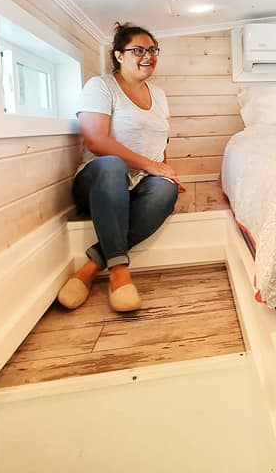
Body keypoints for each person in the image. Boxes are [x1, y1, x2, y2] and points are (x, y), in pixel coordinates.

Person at [56, 22, 184, 312]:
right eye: (138, 50)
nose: (148, 55)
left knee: (166, 190)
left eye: (153, 50)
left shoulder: (160, 95)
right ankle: (119, 273)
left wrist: (166, 171)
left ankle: (90, 266)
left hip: (140, 182)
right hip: (99, 182)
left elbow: (160, 143)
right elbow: (96, 140)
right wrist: (152, 165)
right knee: (112, 164)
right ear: (118, 55)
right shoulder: (101, 86)